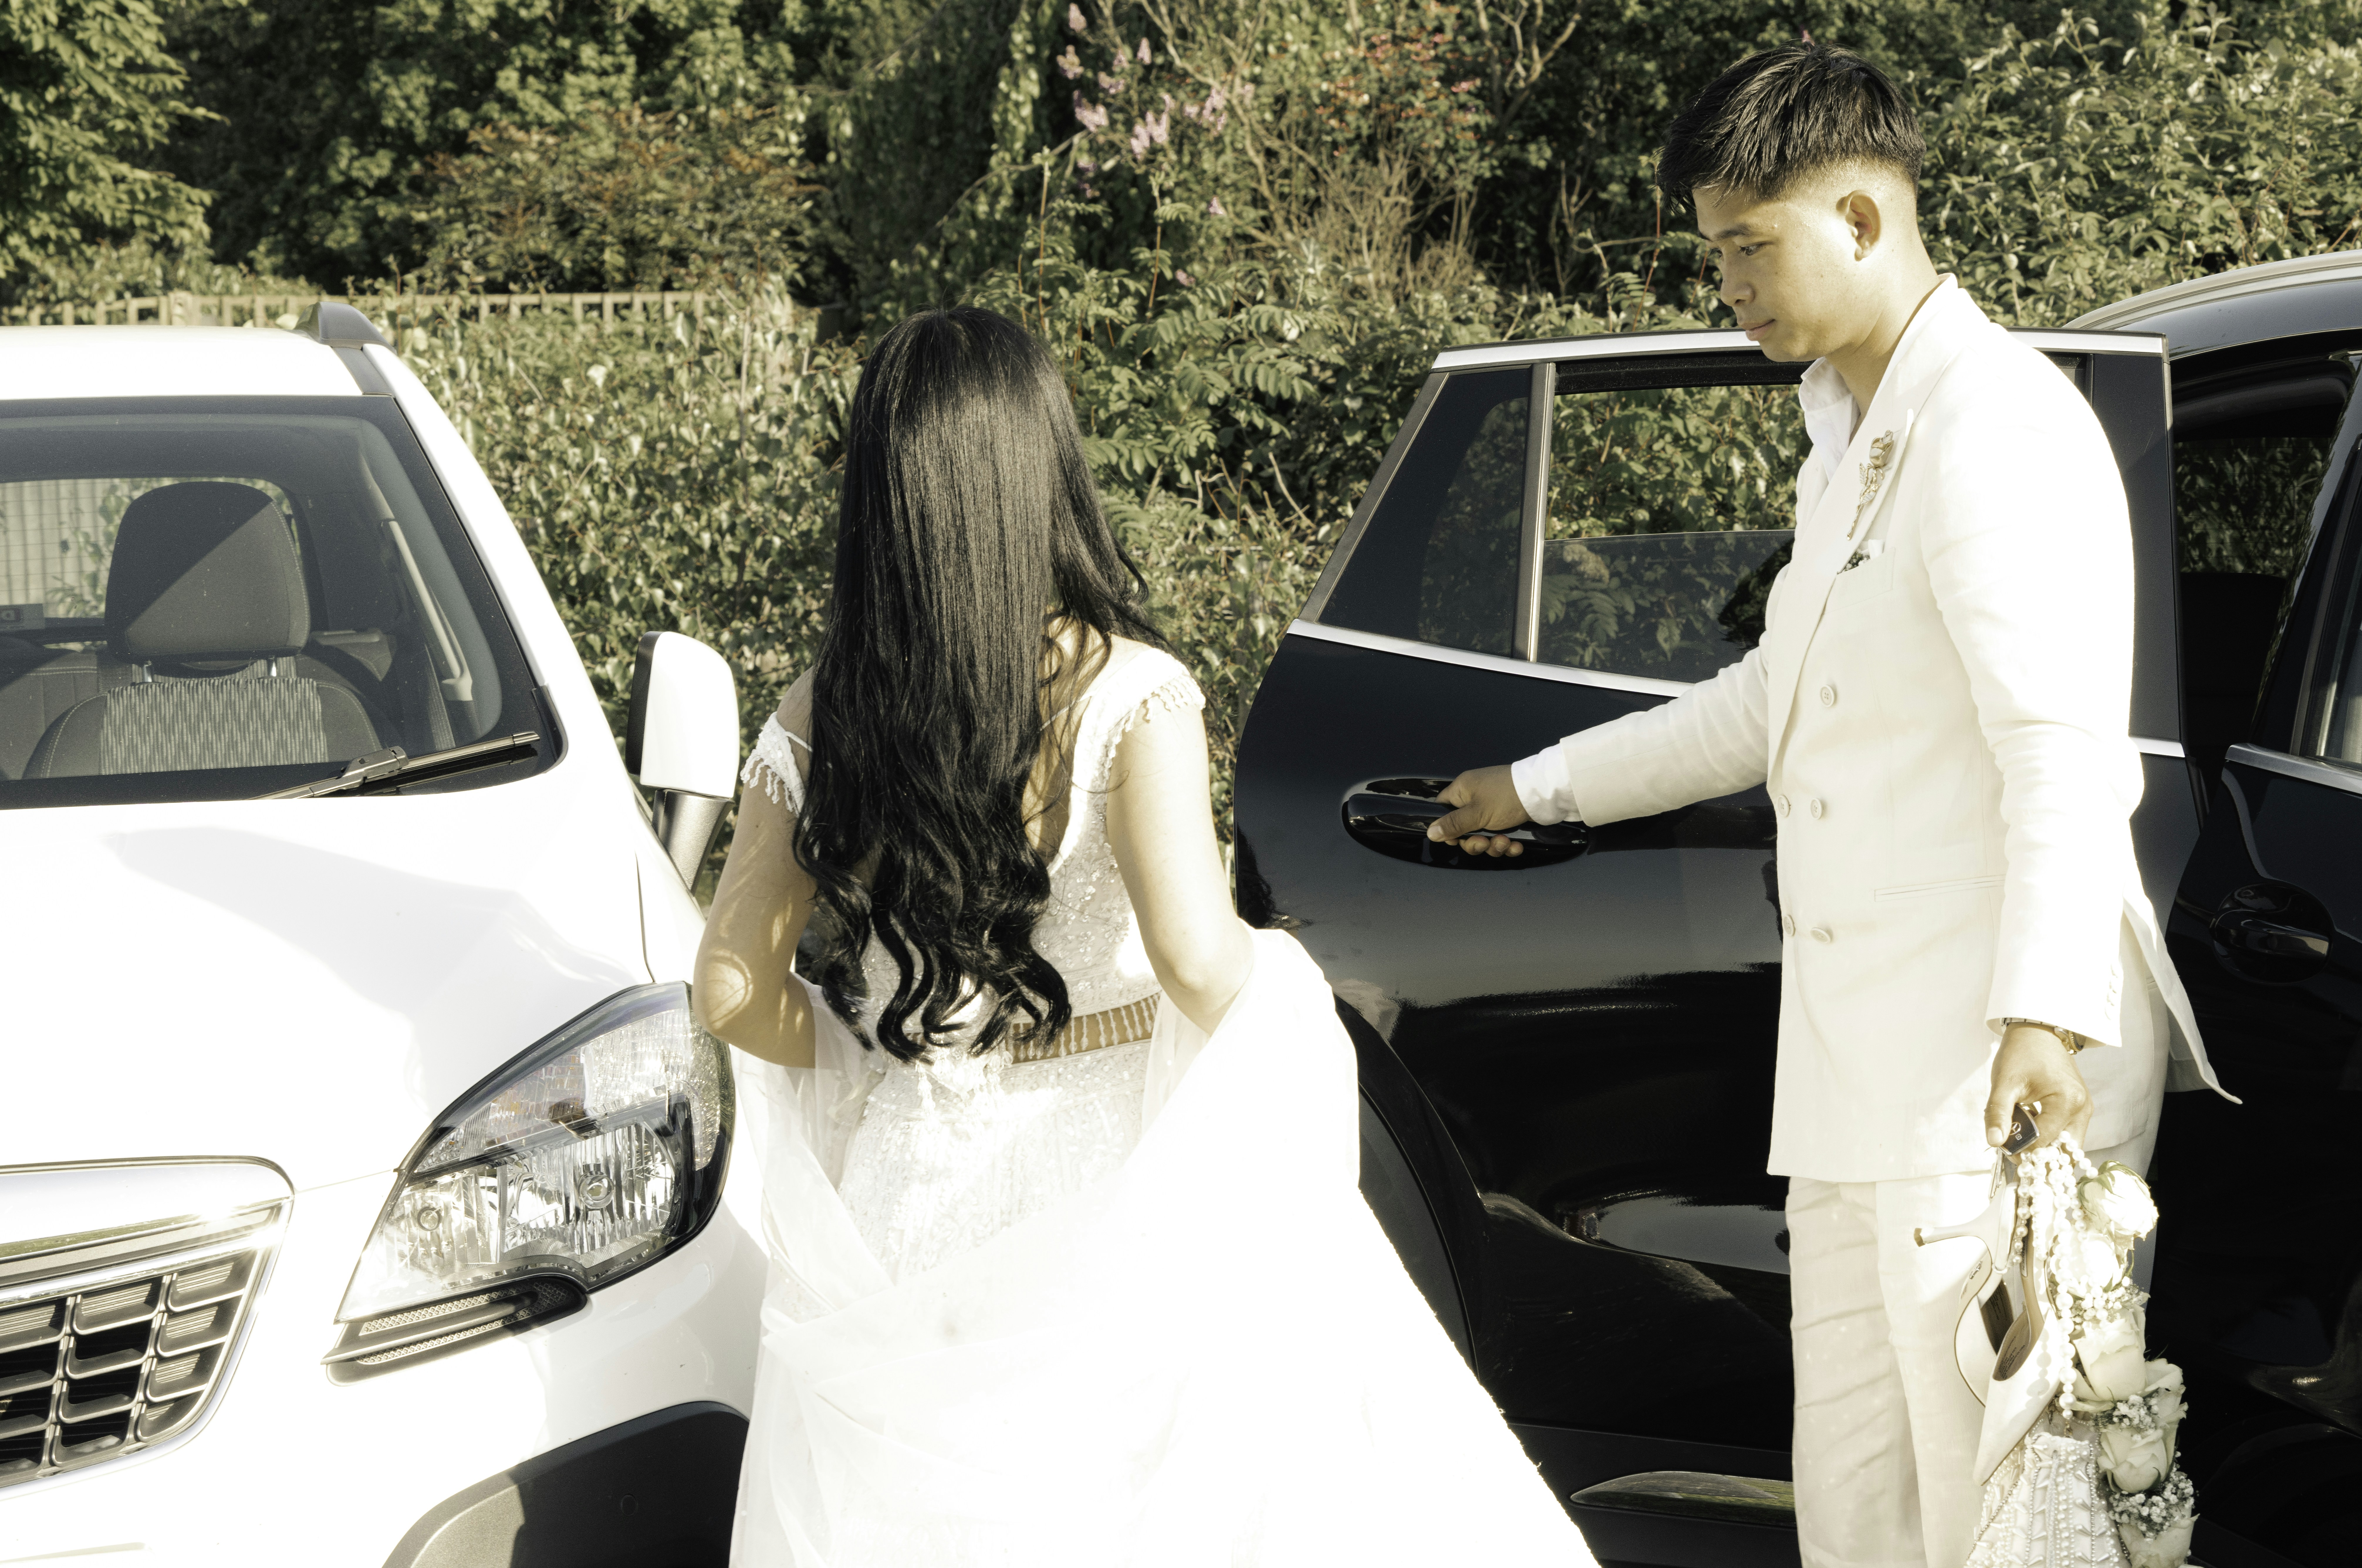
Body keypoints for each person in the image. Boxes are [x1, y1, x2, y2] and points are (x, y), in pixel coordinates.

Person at [1423, 44, 2228, 1568]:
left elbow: (2063, 751)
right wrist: (1535, 787)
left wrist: (2044, 1020)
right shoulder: (1846, 438)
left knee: (2014, 1518)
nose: (1726, 285)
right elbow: (1766, 705)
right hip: (1862, 1076)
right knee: (1861, 1514)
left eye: (1748, 246)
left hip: (1986, 1078)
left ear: (1862, 218)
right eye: (1715, 251)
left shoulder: (1994, 425)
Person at [695, 306, 1598, 1567]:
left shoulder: (819, 709)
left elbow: (730, 986)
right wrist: (1292, 984)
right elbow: (1196, 960)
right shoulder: (1130, 693)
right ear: (1042, 470)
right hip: (1099, 1163)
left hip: (910, 1176)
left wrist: (876, 1053)